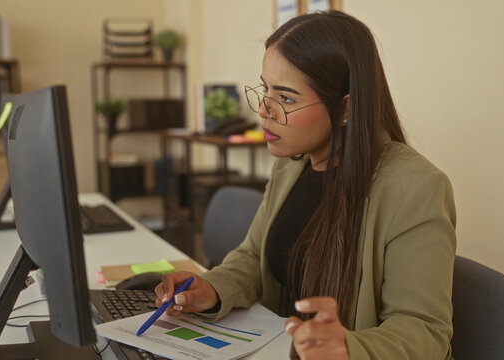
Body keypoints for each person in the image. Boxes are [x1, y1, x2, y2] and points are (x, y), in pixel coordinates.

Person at [155, 10, 457, 360]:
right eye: (265, 88)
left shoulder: (416, 188)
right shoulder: (291, 165)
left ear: (346, 108)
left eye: (286, 98)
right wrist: (211, 289)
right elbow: (254, 257)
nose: (264, 110)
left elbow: (424, 330)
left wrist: (347, 348)